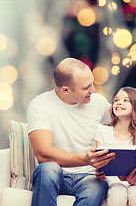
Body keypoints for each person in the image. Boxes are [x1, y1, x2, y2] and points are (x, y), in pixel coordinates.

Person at [27, 58, 115, 206]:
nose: (93, 90)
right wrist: (85, 159)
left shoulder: (99, 102)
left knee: (96, 186)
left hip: (90, 177)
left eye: (92, 83)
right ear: (66, 90)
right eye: (86, 87)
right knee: (48, 169)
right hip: (58, 175)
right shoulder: (40, 105)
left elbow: (124, 128)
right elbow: (43, 154)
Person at [95, 87, 136, 206]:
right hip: (111, 182)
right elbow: (98, 161)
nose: (119, 102)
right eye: (116, 100)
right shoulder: (102, 131)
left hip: (134, 183)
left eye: (126, 100)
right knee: (118, 191)